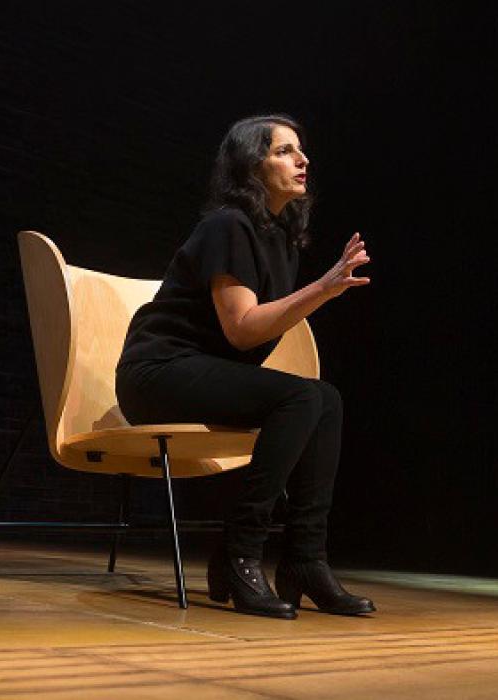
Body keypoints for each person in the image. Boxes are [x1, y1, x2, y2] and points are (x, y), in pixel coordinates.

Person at [116, 114, 375, 619]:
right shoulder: (227, 225)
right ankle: (239, 551)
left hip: (198, 371)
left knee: (325, 398)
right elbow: (242, 329)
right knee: (302, 396)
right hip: (157, 373)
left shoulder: (279, 238)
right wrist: (324, 288)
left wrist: (319, 287)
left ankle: (304, 558)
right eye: (284, 151)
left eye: (300, 150)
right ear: (250, 165)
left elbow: (249, 337)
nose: (303, 160)